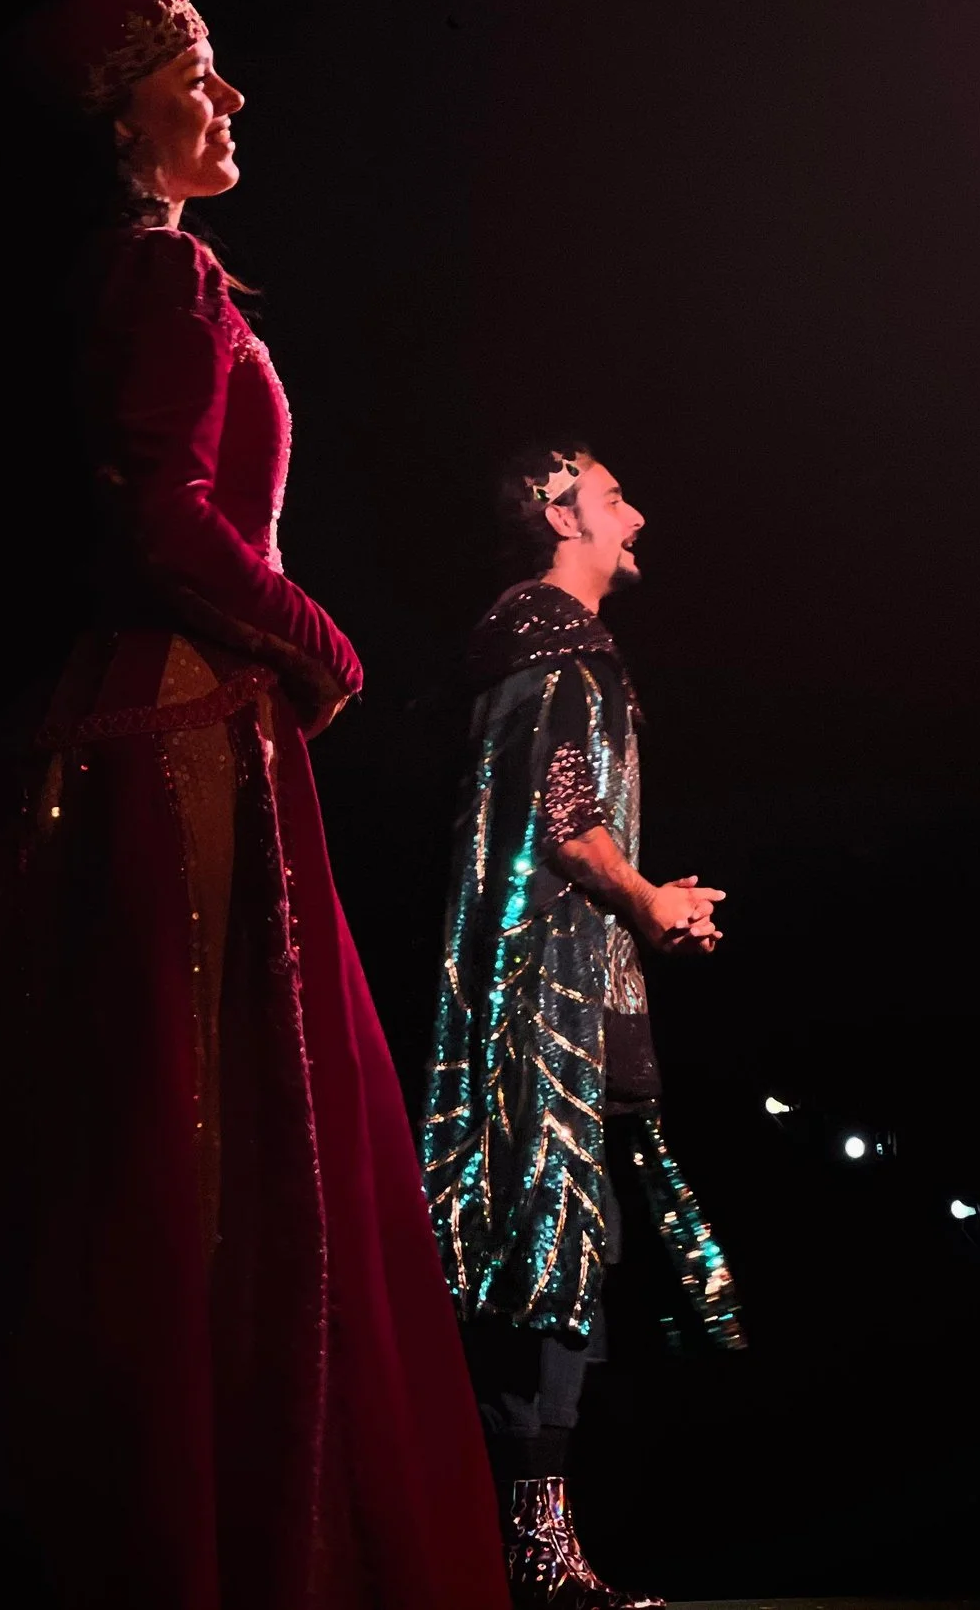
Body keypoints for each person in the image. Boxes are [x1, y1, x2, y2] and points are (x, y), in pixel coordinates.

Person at [0, 0, 506, 1610]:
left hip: (146, 724)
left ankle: (147, 1528)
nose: (233, 97)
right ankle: (198, 1540)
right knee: (198, 1141)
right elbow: (165, 520)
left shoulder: (149, 275)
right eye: (199, 74)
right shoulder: (160, 281)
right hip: (172, 730)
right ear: (129, 122)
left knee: (146, 1135)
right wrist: (319, 646)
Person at [425, 443, 747, 1609]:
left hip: (577, 983)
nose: (638, 514)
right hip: (536, 998)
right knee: (538, 1244)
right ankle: (527, 1547)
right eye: (615, 496)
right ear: (558, 509)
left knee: (571, 1246)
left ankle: (536, 1538)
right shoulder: (546, 637)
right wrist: (646, 897)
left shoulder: (569, 648)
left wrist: (644, 912)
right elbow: (564, 819)